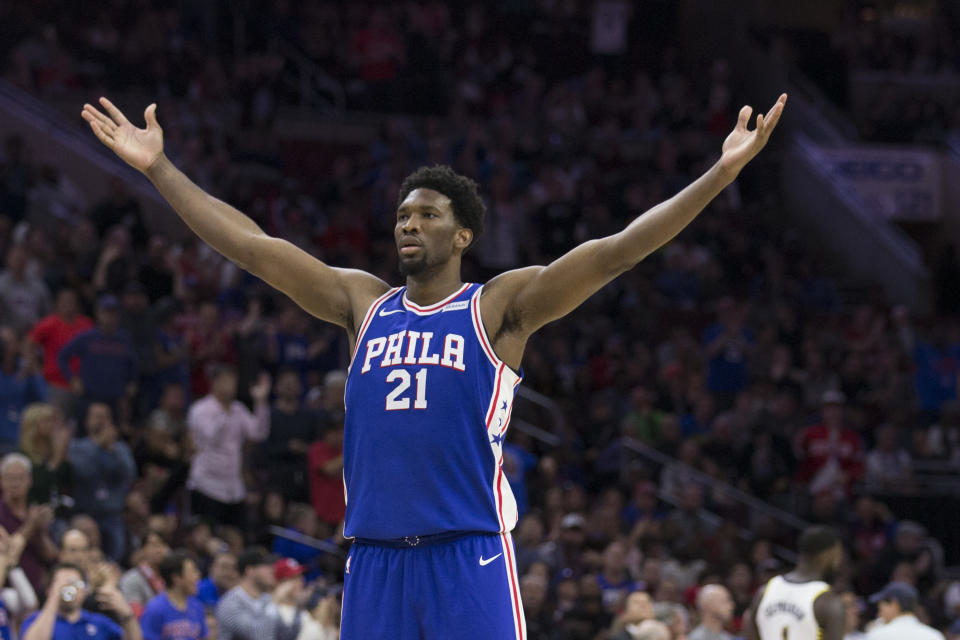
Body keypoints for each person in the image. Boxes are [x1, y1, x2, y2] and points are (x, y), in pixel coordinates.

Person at [82, 90, 787, 639]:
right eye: (401, 216)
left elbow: (619, 249)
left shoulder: (499, 307)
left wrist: (719, 173)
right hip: (376, 555)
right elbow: (252, 246)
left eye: (426, 215)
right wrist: (160, 170)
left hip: (467, 551)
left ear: (464, 232)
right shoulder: (364, 303)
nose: (407, 225)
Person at [186, 366, 271, 529]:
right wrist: (224, 411)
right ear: (214, 383)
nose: (231, 385)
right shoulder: (200, 409)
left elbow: (259, 433)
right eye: (226, 381)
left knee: (238, 536)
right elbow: (211, 437)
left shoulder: (238, 409)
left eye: (233, 381)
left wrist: (261, 402)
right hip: (207, 485)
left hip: (233, 487)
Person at [746, 525, 846, 640]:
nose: (839, 560)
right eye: (837, 554)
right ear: (826, 554)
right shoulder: (828, 601)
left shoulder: (764, 591)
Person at [68, 403, 137, 562]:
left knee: (115, 557)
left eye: (104, 417)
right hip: (86, 513)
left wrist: (112, 449)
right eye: (95, 417)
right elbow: (83, 472)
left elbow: (130, 474)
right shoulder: (77, 447)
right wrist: (98, 445)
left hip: (113, 515)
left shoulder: (120, 448)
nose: (100, 421)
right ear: (86, 421)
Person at [57, 294, 137, 421]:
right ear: (98, 313)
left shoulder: (124, 339)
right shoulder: (87, 337)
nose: (110, 317)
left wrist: (132, 383)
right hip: (90, 397)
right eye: (106, 312)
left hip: (115, 399)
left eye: (114, 313)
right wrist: (72, 379)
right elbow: (63, 356)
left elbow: (132, 365)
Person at [22, 564, 142, 640]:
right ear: (49, 590)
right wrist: (54, 597)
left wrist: (127, 616)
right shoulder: (35, 620)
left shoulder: (98, 622)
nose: (69, 589)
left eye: (74, 583)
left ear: (85, 591)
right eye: (62, 583)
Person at [0, 453, 58, 594]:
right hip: (6, 592)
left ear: (30, 480)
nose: (15, 483)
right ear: (1, 481)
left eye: (20, 478)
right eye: (10, 478)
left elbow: (51, 557)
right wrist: (31, 525)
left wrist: (41, 531)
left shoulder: (35, 512)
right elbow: (10, 551)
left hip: (35, 589)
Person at [27, 288, 93, 412]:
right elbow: (28, 343)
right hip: (56, 385)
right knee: (56, 422)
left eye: (71, 301)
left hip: (82, 385)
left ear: (77, 304)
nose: (68, 305)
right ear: (57, 304)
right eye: (64, 301)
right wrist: (35, 368)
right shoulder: (49, 324)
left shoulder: (86, 324)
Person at [140, 550, 208, 640]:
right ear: (176, 578)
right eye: (193, 571)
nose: (198, 575)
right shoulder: (155, 609)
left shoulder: (197, 606)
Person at [214, 547, 277, 640]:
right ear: (250, 571)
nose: (272, 570)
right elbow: (257, 635)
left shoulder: (267, 598)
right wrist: (278, 602)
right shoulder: (230, 603)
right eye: (265, 566)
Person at [865, 582, 945, 640]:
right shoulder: (934, 636)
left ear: (894, 604)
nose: (879, 614)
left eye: (881, 609)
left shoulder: (877, 635)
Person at [117, 531, 169, 618]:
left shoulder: (173, 577)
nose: (159, 550)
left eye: (162, 545)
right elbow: (134, 614)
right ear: (142, 550)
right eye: (154, 545)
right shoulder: (131, 579)